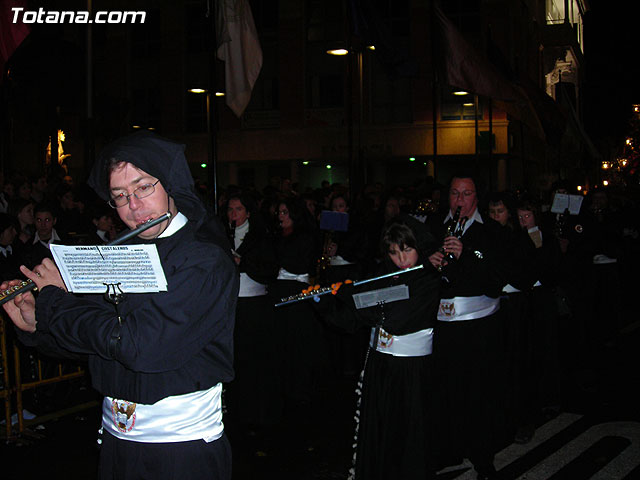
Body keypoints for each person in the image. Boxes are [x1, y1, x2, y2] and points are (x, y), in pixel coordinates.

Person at [1, 131, 238, 480]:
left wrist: (55, 302)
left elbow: (139, 346)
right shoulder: (123, 255)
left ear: (170, 184)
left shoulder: (203, 260)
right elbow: (96, 345)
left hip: (180, 451)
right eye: (120, 196)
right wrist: (37, 325)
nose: (134, 206)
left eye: (144, 188)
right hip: (117, 442)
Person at [328, 220, 440, 480]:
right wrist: (326, 301)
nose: (401, 259)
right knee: (380, 431)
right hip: (380, 364)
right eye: (393, 252)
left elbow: (395, 320)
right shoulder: (384, 273)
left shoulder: (428, 278)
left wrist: (354, 299)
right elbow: (352, 321)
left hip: (411, 369)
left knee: (408, 434)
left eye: (407, 250)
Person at [427, 173, 511, 479]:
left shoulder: (491, 232)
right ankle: (447, 449)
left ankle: (482, 454)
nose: (459, 200)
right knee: (443, 391)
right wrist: (429, 262)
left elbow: (495, 279)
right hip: (442, 325)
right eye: (454, 193)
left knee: (478, 393)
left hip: (478, 327)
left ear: (477, 197)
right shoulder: (433, 225)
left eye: (466, 194)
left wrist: (466, 256)